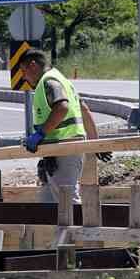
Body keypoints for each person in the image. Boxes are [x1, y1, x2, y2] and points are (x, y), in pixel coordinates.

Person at [20, 51, 100, 207]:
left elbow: (62, 107)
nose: (24, 77)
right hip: (62, 148)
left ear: (33, 65)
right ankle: (58, 231)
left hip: (64, 147)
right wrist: (96, 143)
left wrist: (39, 134)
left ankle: (76, 231)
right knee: (51, 199)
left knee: (67, 199)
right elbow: (84, 109)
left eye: (24, 71)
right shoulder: (62, 80)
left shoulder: (49, 82)